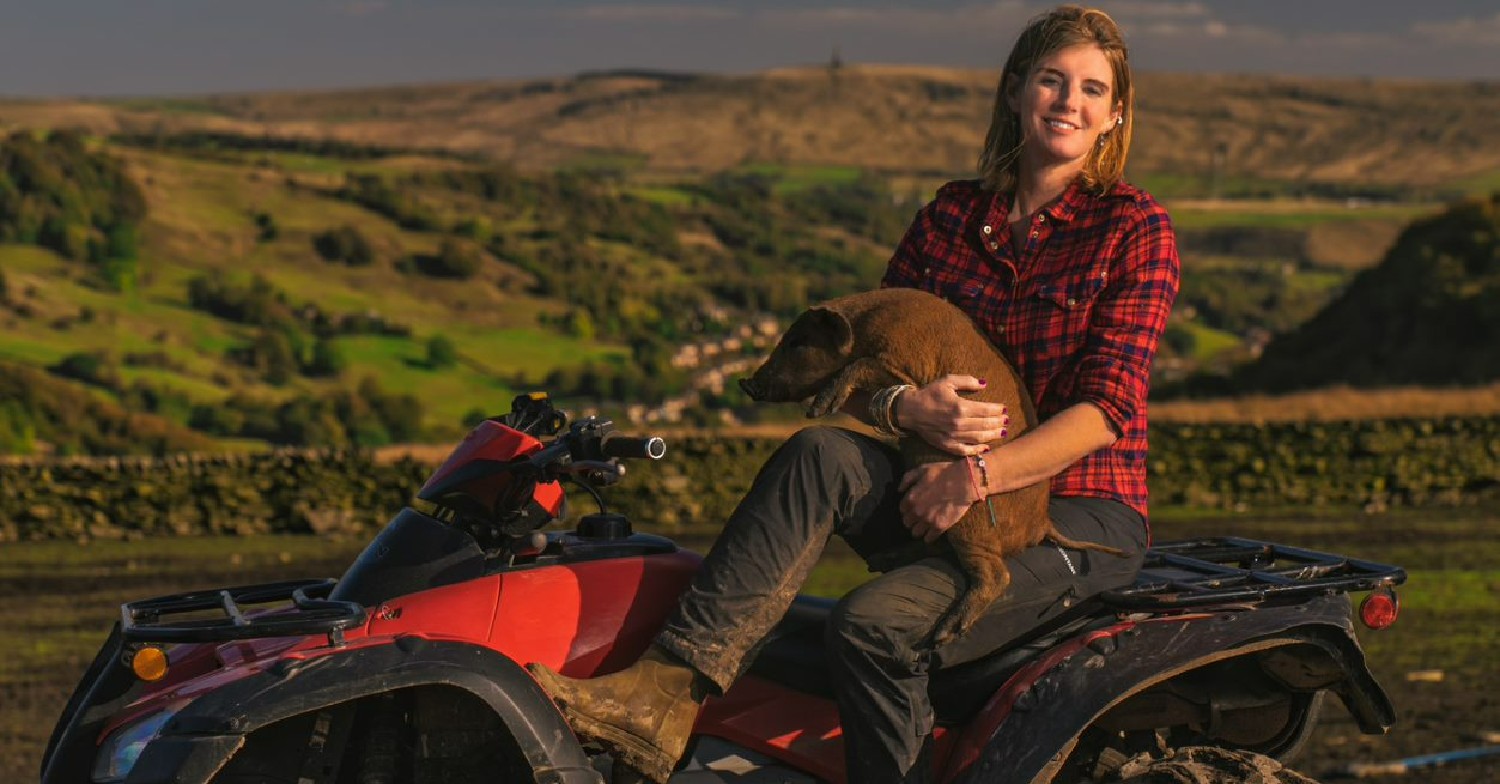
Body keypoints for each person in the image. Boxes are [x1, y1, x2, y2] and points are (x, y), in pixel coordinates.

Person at [527, 5, 1181, 782]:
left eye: (1092, 89)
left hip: (1076, 511)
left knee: (872, 624)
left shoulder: (1134, 229)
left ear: (1115, 114)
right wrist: (902, 408)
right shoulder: (950, 218)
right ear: (1015, 91)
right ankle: (660, 700)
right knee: (817, 454)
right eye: (1051, 79)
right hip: (941, 482)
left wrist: (974, 477)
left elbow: (1105, 412)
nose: (1068, 101)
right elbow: (866, 360)